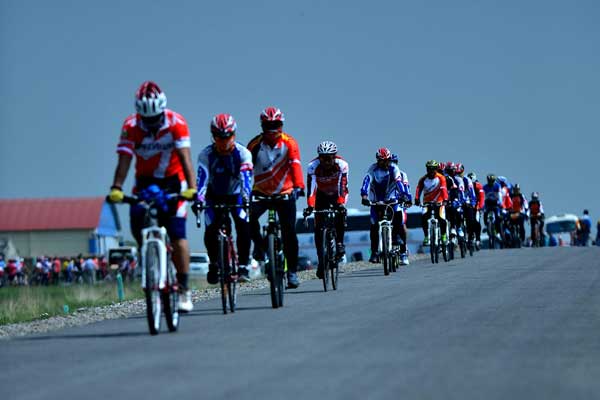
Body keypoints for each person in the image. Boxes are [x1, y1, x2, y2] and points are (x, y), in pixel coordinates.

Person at [107, 81, 197, 312]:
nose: (151, 124)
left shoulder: (177, 123)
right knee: (137, 221)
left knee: (177, 235)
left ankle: (185, 289)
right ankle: (149, 258)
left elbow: (185, 157)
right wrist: (117, 187)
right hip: (145, 183)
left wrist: (192, 188)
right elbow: (124, 160)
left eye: (155, 119)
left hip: (174, 182)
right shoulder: (130, 126)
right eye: (146, 120)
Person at [247, 106, 305, 289]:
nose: (272, 129)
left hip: (285, 192)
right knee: (248, 218)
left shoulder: (290, 143)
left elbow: (295, 165)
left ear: (281, 125)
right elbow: (246, 171)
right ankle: (260, 246)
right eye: (268, 125)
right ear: (262, 126)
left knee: (289, 232)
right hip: (260, 192)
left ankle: (293, 272)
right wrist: (244, 192)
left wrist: (299, 187)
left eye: (276, 125)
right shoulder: (254, 145)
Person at [194, 114, 254, 283]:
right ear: (213, 137)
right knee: (210, 228)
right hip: (213, 196)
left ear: (233, 135)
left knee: (243, 225)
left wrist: (246, 197)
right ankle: (214, 263)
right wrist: (199, 199)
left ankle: (243, 266)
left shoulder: (243, 153)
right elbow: (202, 178)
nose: (223, 141)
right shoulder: (206, 154)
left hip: (236, 195)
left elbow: (246, 179)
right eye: (219, 137)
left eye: (227, 136)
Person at [303, 141, 349, 278]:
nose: (326, 161)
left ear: (334, 156)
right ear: (319, 157)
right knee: (318, 227)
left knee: (340, 213)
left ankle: (340, 243)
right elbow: (311, 189)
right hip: (321, 195)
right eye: (323, 158)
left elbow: (343, 186)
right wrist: (310, 206)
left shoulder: (342, 165)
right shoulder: (312, 166)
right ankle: (321, 261)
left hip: (337, 194)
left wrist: (341, 204)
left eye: (329, 158)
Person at [360, 148, 412, 264]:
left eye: (387, 160)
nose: (385, 163)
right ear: (378, 160)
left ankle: (400, 246)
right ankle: (374, 252)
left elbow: (399, 182)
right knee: (373, 225)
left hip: (391, 199)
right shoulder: (372, 169)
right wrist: (364, 196)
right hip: (376, 200)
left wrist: (405, 196)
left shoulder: (394, 168)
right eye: (382, 161)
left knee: (399, 217)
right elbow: (366, 182)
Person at [415, 160, 449, 246]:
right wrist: (416, 199)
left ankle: (443, 235)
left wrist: (445, 199)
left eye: (433, 169)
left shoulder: (441, 178)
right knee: (424, 217)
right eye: (429, 169)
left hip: (439, 202)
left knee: (441, 219)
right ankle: (426, 236)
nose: (431, 171)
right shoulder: (423, 179)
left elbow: (444, 189)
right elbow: (419, 189)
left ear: (436, 169)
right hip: (427, 202)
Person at [482, 174, 503, 242]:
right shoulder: (484, 187)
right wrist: (482, 204)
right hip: (488, 203)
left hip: (495, 203)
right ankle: (486, 225)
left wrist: (500, 202)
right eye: (489, 181)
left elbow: (500, 195)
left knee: (497, 216)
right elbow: (482, 196)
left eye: (492, 181)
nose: (491, 182)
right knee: (485, 213)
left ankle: (498, 231)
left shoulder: (497, 186)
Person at [467, 172, 485, 249]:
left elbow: (482, 197)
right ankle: (468, 237)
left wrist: (480, 206)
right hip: (468, 205)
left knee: (477, 221)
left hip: (477, 205)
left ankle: (478, 238)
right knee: (468, 222)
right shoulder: (465, 185)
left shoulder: (478, 185)